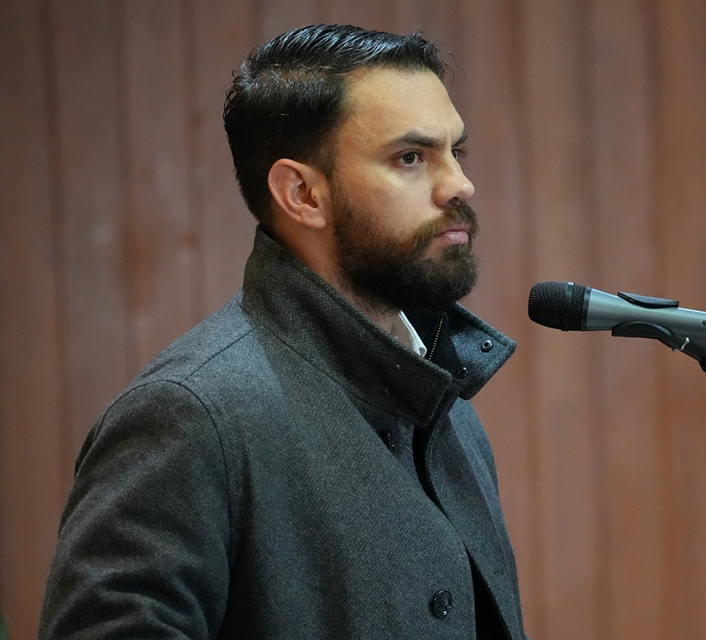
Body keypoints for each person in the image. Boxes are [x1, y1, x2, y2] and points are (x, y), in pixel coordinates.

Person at [39, 24, 527, 639]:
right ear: (302, 193)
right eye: (411, 157)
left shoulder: (444, 405)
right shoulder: (189, 415)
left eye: (457, 151)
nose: (459, 183)